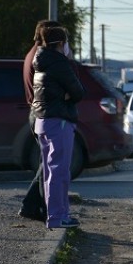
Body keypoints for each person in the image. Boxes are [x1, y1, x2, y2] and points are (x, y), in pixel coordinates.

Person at [31, 26, 85, 229]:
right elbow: (79, 91)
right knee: (59, 171)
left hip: (42, 121)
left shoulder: (40, 60)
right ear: (61, 44)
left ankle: (56, 215)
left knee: (49, 171)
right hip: (59, 121)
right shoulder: (59, 63)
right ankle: (57, 216)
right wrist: (68, 96)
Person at [18, 20, 61, 222]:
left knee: (45, 162)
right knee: (49, 163)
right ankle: (38, 205)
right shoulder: (43, 58)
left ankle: (33, 205)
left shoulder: (30, 55)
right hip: (43, 112)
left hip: (35, 110)